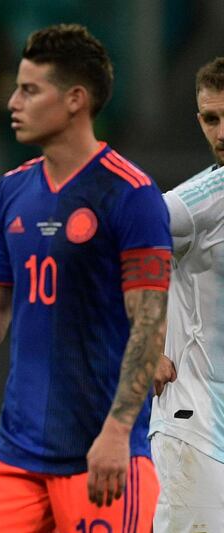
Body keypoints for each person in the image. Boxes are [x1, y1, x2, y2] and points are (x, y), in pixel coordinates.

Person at [0, 24, 171, 532]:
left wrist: (118, 433)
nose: (12, 101)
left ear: (75, 99)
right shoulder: (13, 189)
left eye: (30, 90)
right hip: (14, 454)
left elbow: (148, 326)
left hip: (100, 454)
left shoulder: (131, 194)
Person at [149, 57, 224, 532]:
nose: (222, 133)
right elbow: (107, 244)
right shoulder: (195, 202)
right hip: (194, 427)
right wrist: (144, 342)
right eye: (212, 120)